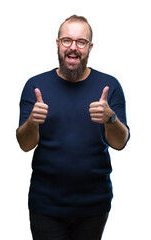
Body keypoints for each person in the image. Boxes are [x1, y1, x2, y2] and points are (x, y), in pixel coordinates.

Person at [16, 15, 130, 240]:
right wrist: (32, 121)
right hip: (45, 205)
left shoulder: (109, 86)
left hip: (94, 206)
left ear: (90, 47)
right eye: (67, 40)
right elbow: (25, 145)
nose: (73, 47)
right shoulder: (35, 85)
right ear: (57, 44)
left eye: (81, 42)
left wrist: (110, 118)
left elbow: (120, 143)